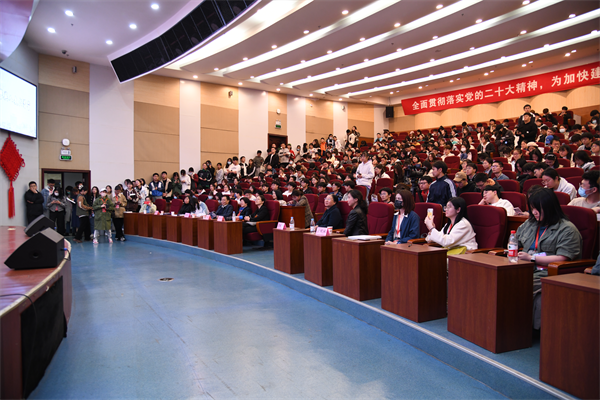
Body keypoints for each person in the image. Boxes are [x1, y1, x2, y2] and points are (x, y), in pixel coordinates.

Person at [516, 187, 582, 329]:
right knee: (501, 280)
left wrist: (532, 258)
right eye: (532, 208)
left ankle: (522, 328)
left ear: (549, 207)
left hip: (549, 272)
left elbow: (563, 258)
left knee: (519, 285)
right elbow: (515, 240)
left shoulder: (567, 229)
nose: (534, 212)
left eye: (537, 209)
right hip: (525, 267)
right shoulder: (530, 223)